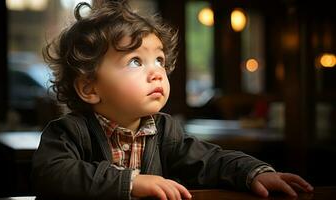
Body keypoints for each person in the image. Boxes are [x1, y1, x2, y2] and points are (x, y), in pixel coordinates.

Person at [31, 1, 314, 200]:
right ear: (89, 88)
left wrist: (253, 173)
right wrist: (130, 183)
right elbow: (53, 174)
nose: (156, 72)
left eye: (159, 60)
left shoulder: (165, 131)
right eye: (134, 62)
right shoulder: (68, 132)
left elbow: (211, 160)